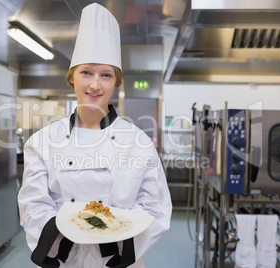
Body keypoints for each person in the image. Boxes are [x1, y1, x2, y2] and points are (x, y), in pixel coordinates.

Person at [17, 3, 172, 268]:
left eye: (106, 75)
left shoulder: (137, 143)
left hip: (120, 261)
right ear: (72, 78)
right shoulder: (42, 142)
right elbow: (33, 204)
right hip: (64, 260)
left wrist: (119, 245)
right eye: (86, 72)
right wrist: (61, 242)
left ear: (116, 82)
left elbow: (155, 206)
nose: (95, 85)